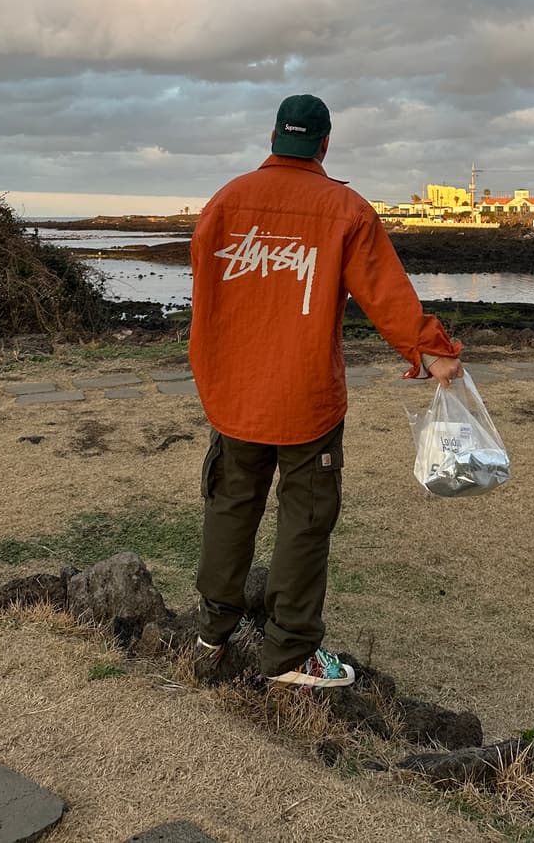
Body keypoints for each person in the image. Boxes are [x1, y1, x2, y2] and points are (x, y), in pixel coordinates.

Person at [189, 93, 463, 689]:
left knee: (231, 505)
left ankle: (212, 631)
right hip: (305, 397)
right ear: (325, 143)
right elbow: (383, 290)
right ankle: (289, 655)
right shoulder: (345, 209)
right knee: (306, 519)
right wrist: (429, 348)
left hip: (234, 392)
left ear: (272, 138)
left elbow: (208, 295)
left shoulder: (225, 202)